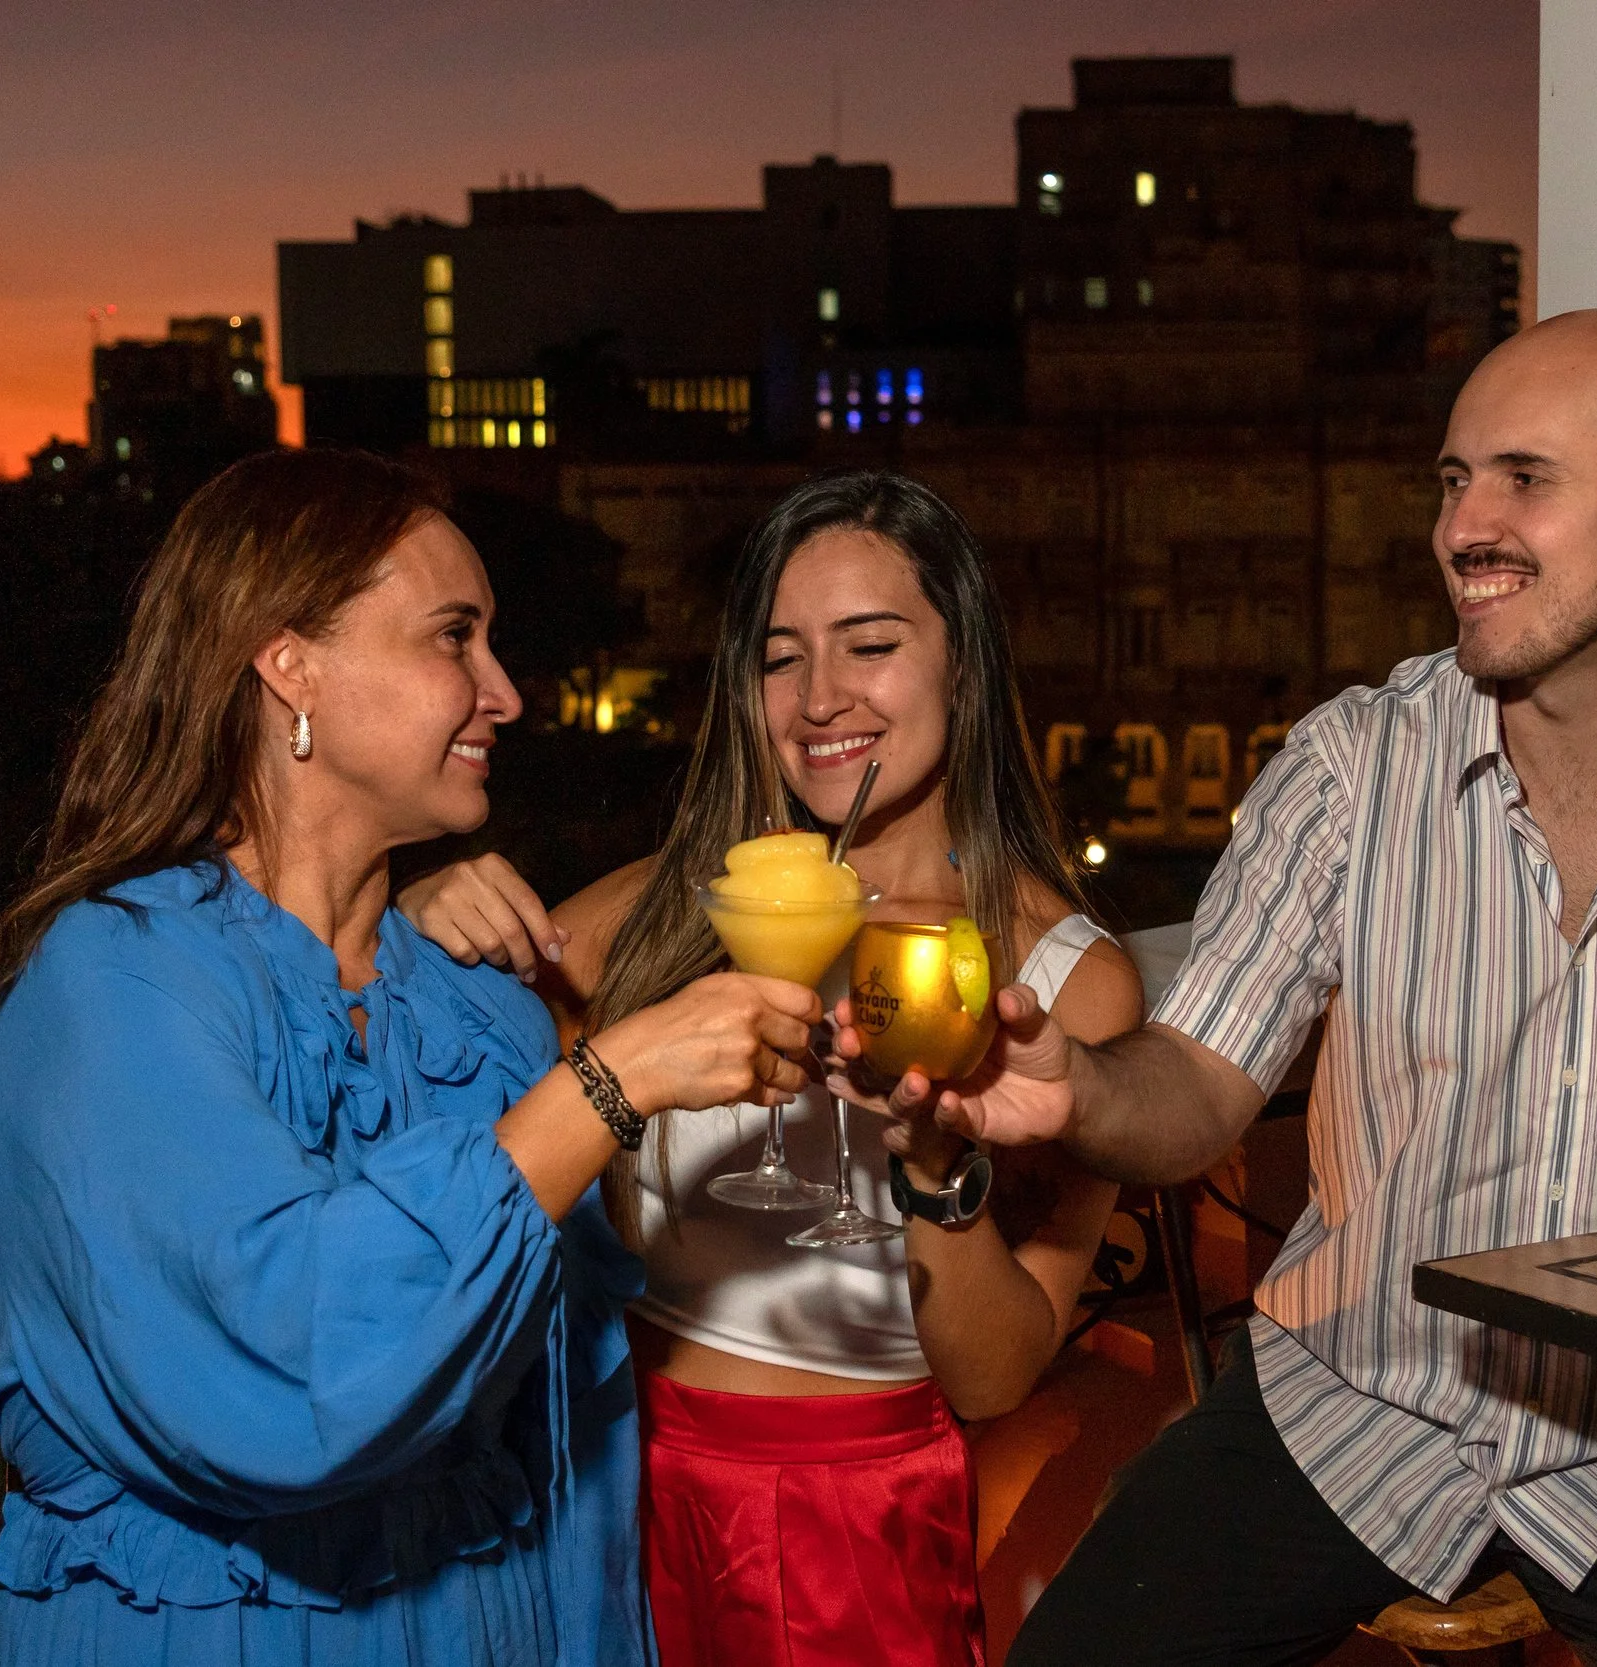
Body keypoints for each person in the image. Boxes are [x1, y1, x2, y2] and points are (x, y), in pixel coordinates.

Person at [839, 311, 1597, 1667]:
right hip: (1355, 1396)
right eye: (1452, 479)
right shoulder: (1355, 765)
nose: (1462, 524)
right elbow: (1193, 1093)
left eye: (1523, 478)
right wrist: (1073, 1087)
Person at [0, 450, 822, 1665]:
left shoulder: (480, 1015)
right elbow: (291, 1364)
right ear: (287, 659)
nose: (504, 691)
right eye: (452, 638)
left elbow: (570, 1445)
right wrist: (605, 1086)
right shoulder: (110, 984)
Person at [399, 470, 1144, 1667]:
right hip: (607, 1483)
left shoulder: (1063, 981)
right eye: (779, 656)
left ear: (963, 662)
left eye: (871, 644)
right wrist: (434, 909)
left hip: (848, 1526)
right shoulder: (652, 919)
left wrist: (928, 1159)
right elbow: (448, 1052)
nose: (819, 697)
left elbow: (999, 1373)